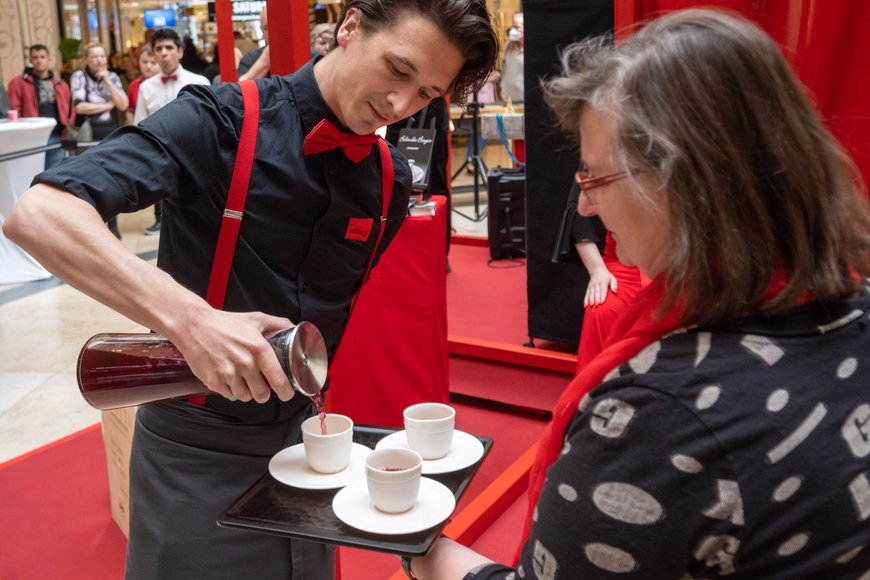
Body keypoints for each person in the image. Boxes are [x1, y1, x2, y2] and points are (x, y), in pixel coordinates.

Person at [3, 1, 497, 579]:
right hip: (193, 452)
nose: (400, 104)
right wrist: (193, 320)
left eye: (427, 94)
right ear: (351, 27)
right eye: (398, 69)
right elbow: (39, 214)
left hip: (308, 451)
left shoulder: (386, 182)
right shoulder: (220, 120)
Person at [405, 9, 870, 579]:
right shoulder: (853, 309)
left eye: (596, 179)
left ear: (688, 183)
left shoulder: (660, 415)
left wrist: (428, 555)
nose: (585, 207)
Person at [134, 28, 210, 236]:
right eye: (159, 49)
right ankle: (162, 223)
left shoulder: (200, 83)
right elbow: (140, 122)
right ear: (154, 54)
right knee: (163, 198)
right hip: (160, 151)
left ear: (180, 52)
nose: (164, 53)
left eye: (169, 47)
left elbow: (210, 123)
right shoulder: (146, 88)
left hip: (192, 150)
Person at [7, 44, 75, 169]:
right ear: (30, 60)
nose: (39, 60)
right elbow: (14, 110)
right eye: (35, 57)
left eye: (42, 57)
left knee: (55, 175)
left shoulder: (60, 83)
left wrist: (68, 128)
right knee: (32, 175)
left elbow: (71, 109)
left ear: (49, 59)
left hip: (57, 136)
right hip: (32, 138)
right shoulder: (18, 83)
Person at [125, 45, 159, 125]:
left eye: (153, 63)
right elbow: (130, 111)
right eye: (144, 62)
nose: (148, 66)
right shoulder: (134, 85)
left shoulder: (167, 82)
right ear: (138, 62)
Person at [237, 7, 270, 81]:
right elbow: (241, 88)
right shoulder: (250, 59)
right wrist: (265, 60)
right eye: (267, 28)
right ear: (262, 30)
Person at [500, 12, 524, 103]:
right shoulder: (508, 46)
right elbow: (505, 69)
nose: (513, 30)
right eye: (513, 27)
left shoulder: (531, 50)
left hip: (523, 100)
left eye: (517, 27)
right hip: (508, 99)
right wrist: (502, 87)